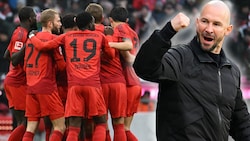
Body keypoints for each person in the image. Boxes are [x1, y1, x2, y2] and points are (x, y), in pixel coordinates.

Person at [133, 0, 250, 140]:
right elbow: (143, 67)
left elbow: (241, 124)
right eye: (205, 21)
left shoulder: (231, 71)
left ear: (228, 30)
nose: (209, 29)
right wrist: (168, 31)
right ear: (197, 22)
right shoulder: (180, 57)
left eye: (216, 24)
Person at [28, 11, 114, 141]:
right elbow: (111, 55)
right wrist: (109, 38)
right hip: (93, 85)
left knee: (73, 128)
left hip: (73, 87)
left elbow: (43, 46)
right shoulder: (99, 36)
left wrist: (32, 37)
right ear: (91, 23)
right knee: (101, 123)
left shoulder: (66, 37)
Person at [22, 9, 66, 141]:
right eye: (58, 21)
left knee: (31, 128)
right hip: (46, 86)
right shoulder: (53, 39)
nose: (60, 24)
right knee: (60, 127)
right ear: (50, 23)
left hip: (31, 86)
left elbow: (25, 66)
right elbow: (62, 66)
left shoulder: (31, 40)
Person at [3, 6, 37, 141]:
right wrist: (28, 43)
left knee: (23, 122)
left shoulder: (18, 32)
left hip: (14, 81)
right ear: (30, 19)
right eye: (34, 16)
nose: (36, 18)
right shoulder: (21, 35)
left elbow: (7, 54)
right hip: (17, 83)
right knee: (26, 122)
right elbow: (14, 59)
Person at [108, 7, 142, 141]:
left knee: (120, 127)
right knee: (125, 128)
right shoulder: (133, 32)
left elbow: (128, 56)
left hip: (127, 83)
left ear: (110, 20)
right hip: (134, 82)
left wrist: (109, 44)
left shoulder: (120, 29)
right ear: (127, 19)